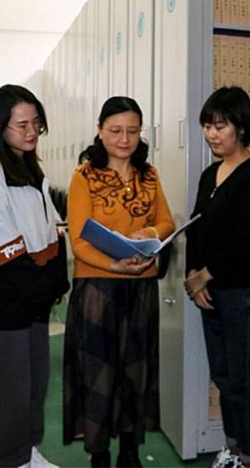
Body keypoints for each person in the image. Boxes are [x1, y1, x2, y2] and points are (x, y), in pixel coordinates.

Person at [63, 96, 175, 468]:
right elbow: (79, 242)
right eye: (115, 131)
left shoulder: (149, 174)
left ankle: (130, 449)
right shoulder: (84, 176)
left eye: (132, 131)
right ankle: (99, 454)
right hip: (97, 287)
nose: (124, 139)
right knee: (99, 371)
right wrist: (115, 265)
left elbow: (166, 222)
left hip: (141, 285)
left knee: (135, 370)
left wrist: (149, 232)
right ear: (99, 131)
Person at [0, 84, 68, 468]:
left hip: (34, 303)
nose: (31, 131)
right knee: (9, 388)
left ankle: (29, 452)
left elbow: (52, 232)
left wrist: (56, 285)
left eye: (36, 123)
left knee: (34, 382)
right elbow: (4, 257)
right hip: (7, 306)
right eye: (21, 125)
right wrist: (44, 288)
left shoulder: (32, 174)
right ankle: (12, 459)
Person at [184, 86, 250, 468]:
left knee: (246, 380)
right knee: (223, 376)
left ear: (241, 127)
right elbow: (195, 228)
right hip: (211, 292)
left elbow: (248, 239)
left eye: (220, 126)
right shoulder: (210, 174)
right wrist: (193, 274)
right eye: (207, 126)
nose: (211, 134)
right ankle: (233, 449)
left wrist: (205, 275)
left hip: (243, 292)